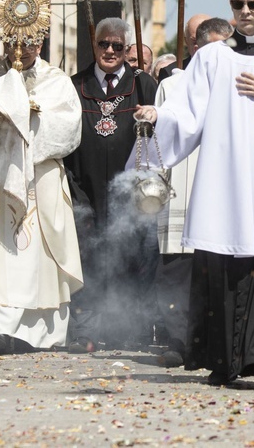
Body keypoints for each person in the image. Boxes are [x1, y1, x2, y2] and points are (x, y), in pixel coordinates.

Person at [131, 0, 254, 391]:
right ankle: (223, 360)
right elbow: (188, 112)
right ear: (231, 5)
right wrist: (159, 115)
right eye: (238, 4)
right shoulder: (211, 58)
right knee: (218, 264)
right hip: (219, 178)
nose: (246, 11)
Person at [0, 36, 84, 353]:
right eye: (13, 41)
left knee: (42, 256)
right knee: (2, 257)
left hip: (39, 175)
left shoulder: (55, 80)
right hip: (0, 175)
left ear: (40, 44)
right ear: (4, 42)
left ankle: (42, 332)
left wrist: (32, 117)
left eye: (28, 42)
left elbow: (71, 128)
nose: (20, 49)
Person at [141, 17, 233, 368]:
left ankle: (210, 343)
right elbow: (164, 140)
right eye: (203, 44)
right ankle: (177, 340)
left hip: (217, 188)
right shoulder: (173, 84)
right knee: (177, 271)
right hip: (181, 184)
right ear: (193, 45)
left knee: (213, 271)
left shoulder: (237, 83)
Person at [65, 17, 158, 352]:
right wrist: (75, 194)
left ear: (126, 48)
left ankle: (125, 330)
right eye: (104, 44)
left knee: (130, 258)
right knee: (88, 257)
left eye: (117, 46)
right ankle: (86, 331)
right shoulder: (76, 85)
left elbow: (158, 136)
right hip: (86, 186)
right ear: (95, 45)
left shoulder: (143, 84)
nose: (109, 51)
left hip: (129, 190)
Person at [157, 14, 210, 82]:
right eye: (194, 41)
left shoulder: (225, 69)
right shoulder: (169, 73)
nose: (199, 46)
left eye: (205, 41)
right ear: (186, 41)